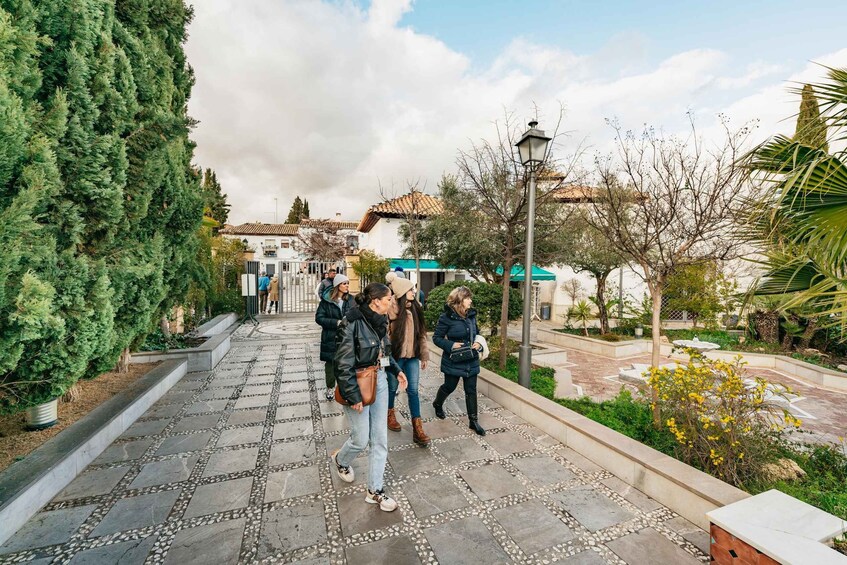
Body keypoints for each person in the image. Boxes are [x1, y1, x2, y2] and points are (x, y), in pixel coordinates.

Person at [332, 283, 408, 512]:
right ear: (375, 301)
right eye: (388, 300)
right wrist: (353, 395)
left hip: (381, 380)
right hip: (358, 383)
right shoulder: (351, 322)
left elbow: (383, 352)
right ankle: (341, 461)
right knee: (360, 439)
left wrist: (396, 370)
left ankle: (375, 490)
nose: (391, 303)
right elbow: (342, 363)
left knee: (379, 439)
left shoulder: (381, 321)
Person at [432, 286, 486, 436]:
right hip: (454, 359)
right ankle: (437, 403)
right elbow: (436, 338)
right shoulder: (446, 317)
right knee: (450, 387)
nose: (470, 301)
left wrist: (478, 343)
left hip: (471, 357)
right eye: (468, 298)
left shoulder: (471, 315)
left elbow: (477, 333)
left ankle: (473, 421)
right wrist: (450, 345)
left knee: (471, 390)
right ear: (460, 300)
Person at [385, 272, 430, 446]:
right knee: (392, 388)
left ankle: (417, 428)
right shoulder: (391, 310)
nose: (414, 291)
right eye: (410, 289)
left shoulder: (416, 308)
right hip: (395, 358)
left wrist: (424, 355)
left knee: (413, 391)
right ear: (402, 292)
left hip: (412, 357)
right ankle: (390, 414)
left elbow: (422, 335)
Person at [315, 274, 354, 400]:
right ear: (337, 286)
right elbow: (319, 318)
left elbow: (357, 315)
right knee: (331, 365)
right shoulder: (326, 301)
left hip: (346, 337)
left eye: (348, 283)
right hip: (330, 337)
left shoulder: (351, 300)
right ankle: (330, 388)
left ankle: (344, 389)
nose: (347, 285)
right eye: (344, 283)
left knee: (346, 364)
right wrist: (335, 323)